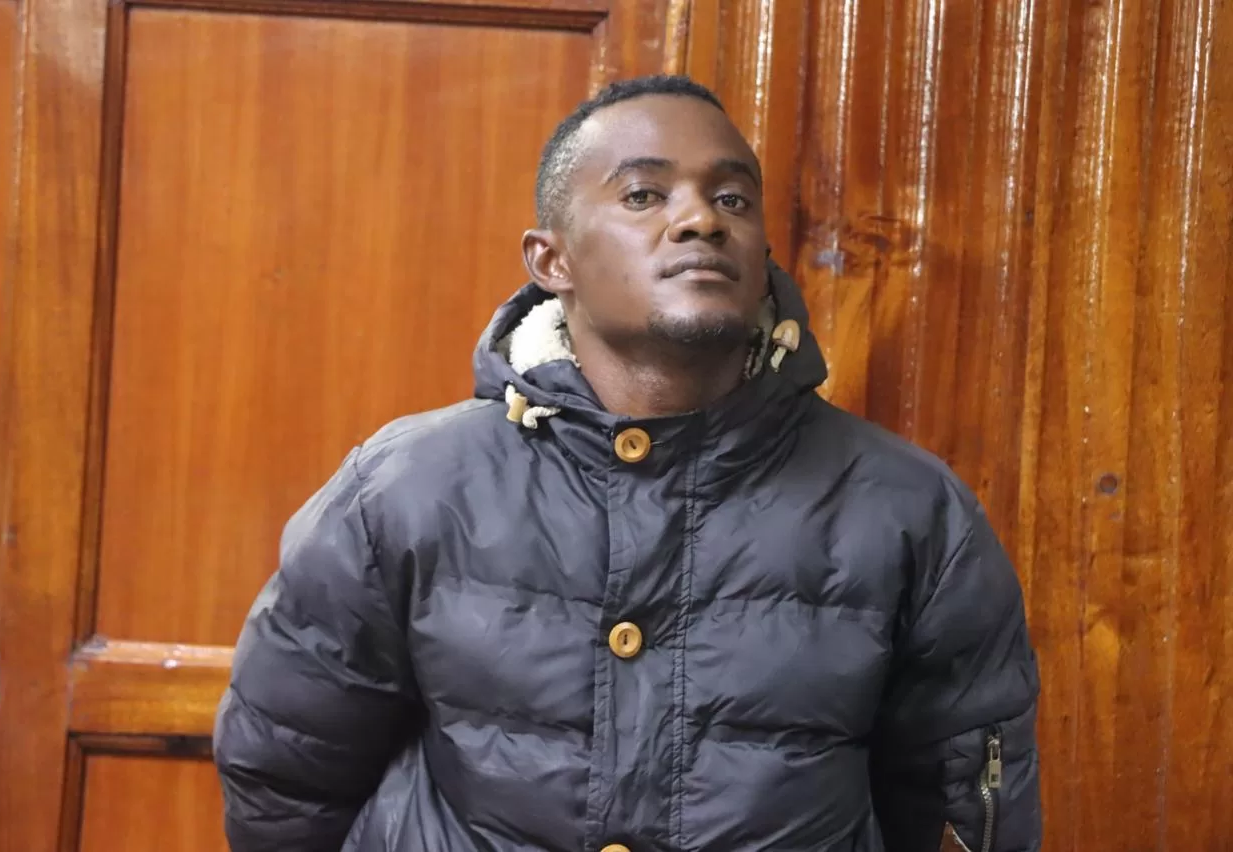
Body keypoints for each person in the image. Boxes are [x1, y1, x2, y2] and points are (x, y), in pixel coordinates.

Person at [213, 75, 1042, 852]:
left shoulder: (909, 509)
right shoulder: (406, 488)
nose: (701, 220)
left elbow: (961, 805)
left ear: (763, 255)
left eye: (732, 199)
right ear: (552, 261)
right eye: (644, 194)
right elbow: (286, 774)